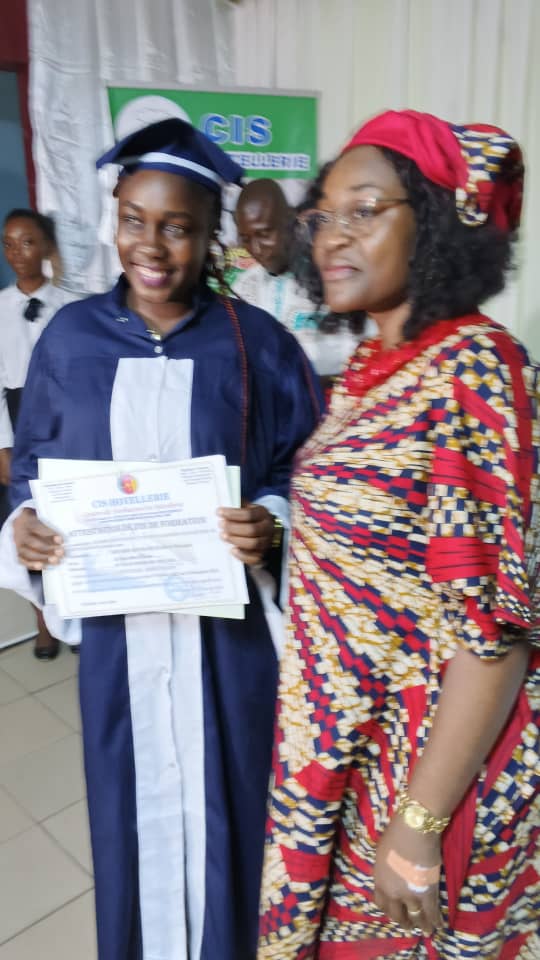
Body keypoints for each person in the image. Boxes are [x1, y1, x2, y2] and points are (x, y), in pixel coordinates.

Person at [0, 118, 322, 960]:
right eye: (134, 220)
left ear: (211, 233)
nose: (151, 245)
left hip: (231, 645)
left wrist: (272, 520)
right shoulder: (70, 341)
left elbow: (307, 467)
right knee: (128, 815)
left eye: (177, 226)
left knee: (236, 813)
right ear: (114, 220)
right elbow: (31, 472)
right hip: (120, 641)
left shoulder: (259, 344)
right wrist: (23, 529)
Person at [257, 110, 539, 959]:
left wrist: (417, 825)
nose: (332, 237)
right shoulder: (374, 367)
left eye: (366, 210)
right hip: (341, 740)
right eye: (323, 214)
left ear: (435, 225)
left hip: (417, 763)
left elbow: (494, 635)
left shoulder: (474, 368)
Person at [0, 208, 72, 658]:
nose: (17, 253)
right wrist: (3, 446)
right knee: (26, 523)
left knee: (68, 517)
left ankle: (76, 611)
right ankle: (42, 622)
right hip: (17, 418)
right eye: (8, 244)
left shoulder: (71, 307)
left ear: (46, 246)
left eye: (27, 242)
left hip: (65, 421)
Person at [233, 179, 358, 378]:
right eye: (246, 239)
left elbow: (356, 354)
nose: (256, 249)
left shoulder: (332, 277)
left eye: (264, 234)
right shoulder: (244, 288)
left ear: (290, 220)